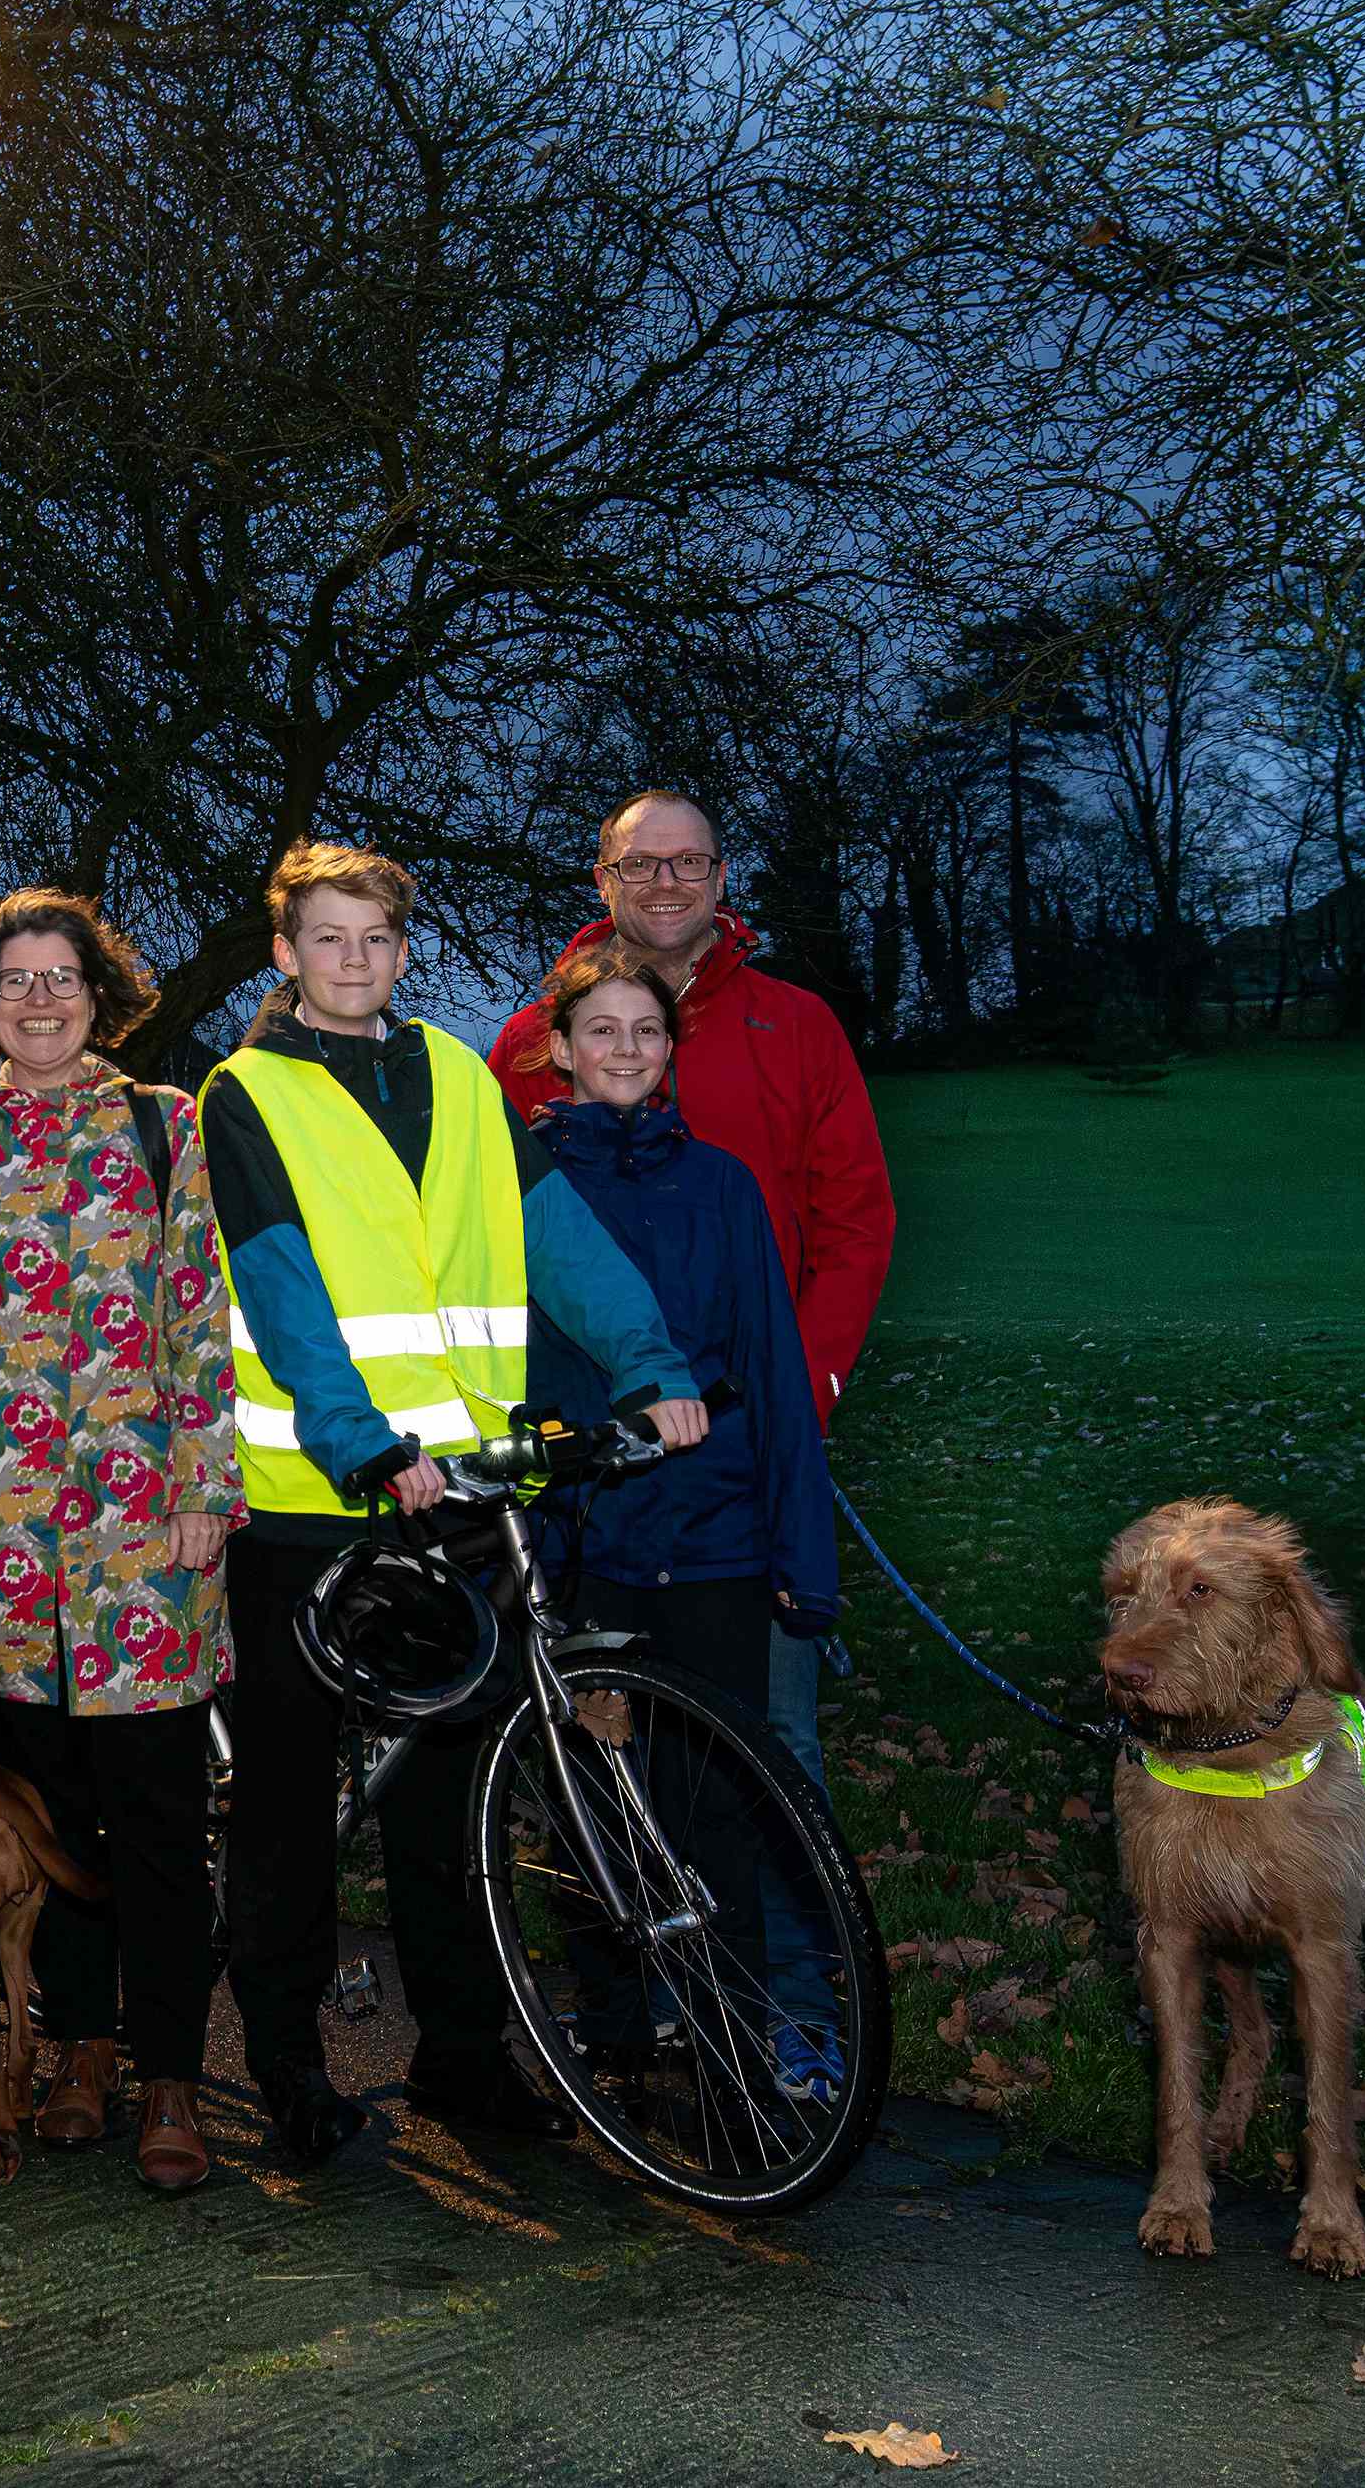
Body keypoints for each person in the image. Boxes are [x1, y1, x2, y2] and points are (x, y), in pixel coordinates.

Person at [202, 840, 708, 2163]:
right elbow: (276, 1282)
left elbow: (554, 1236)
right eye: (325, 937)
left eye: (373, 937)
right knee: (285, 1797)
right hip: (316, 1496)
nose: (353, 959)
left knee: (453, 1792)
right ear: (283, 954)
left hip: (461, 1492)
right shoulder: (243, 1091)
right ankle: (287, 2055)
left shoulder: (458, 1083)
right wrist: (358, 1438)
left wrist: (647, 1362)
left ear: (401, 951)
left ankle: (463, 2058)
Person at [0, 889, 240, 2196]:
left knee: (156, 1820)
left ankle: (166, 2070)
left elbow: (200, 1313)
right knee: (46, 1827)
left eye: (61, 977)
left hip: (141, 1542)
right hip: (1, 1550)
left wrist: (206, 1480)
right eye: (13, 979)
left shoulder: (163, 1129)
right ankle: (79, 2048)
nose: (38, 999)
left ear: (97, 997)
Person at [522, 944, 847, 2092]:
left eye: (645, 1032)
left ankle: (731, 2046)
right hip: (585, 1534)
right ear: (558, 1049)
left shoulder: (723, 1188)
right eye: (599, 1030)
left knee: (719, 1798)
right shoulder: (522, 1187)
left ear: (670, 1054)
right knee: (599, 1797)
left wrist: (803, 1559)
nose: (623, 1050)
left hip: (712, 1533)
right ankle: (616, 2035)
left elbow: (769, 1355)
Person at [487, 790, 894, 1425]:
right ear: (603, 881)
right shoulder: (533, 1040)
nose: (666, 882)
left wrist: (805, 1385)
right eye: (640, 863)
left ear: (721, 877)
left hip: (754, 1390)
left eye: (689, 862)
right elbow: (490, 1229)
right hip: (589, 1403)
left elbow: (855, 1222)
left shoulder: (796, 1024)